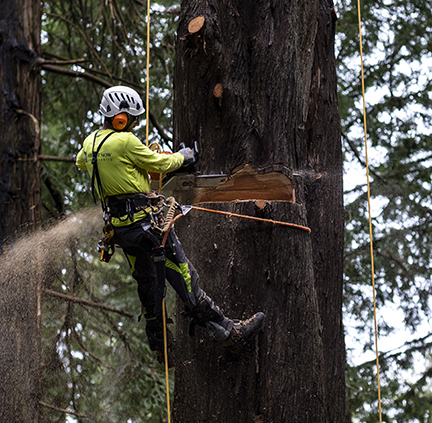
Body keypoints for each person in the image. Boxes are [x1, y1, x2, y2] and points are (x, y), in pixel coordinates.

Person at [76, 86, 265, 365]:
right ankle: (228, 332)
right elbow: (160, 163)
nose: (135, 124)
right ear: (120, 118)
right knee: (186, 279)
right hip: (148, 228)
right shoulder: (125, 142)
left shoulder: (90, 144)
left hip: (121, 233)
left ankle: (160, 344)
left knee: (148, 284)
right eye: (132, 119)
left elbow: (83, 162)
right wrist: (185, 156)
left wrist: (124, 170)